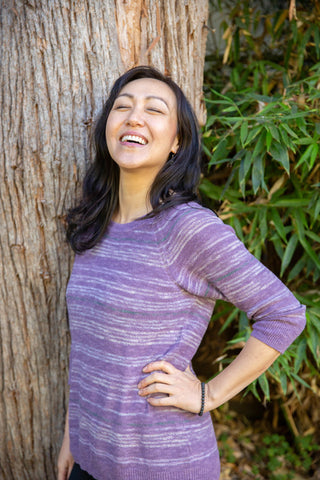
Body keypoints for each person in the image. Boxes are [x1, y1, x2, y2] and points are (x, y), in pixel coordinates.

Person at [57, 65, 306, 480]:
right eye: (123, 106)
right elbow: (88, 349)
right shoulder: (96, 225)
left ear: (176, 141)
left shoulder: (186, 228)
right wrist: (73, 434)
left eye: (154, 110)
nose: (134, 116)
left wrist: (208, 394)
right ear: (107, 129)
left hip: (162, 463)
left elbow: (284, 315)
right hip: (88, 458)